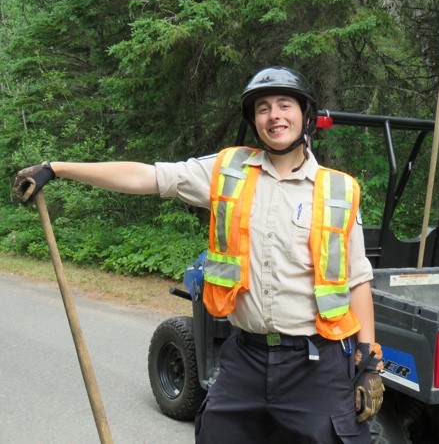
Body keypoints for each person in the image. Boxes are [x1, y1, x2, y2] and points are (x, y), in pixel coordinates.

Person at [14, 66, 384, 443]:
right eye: (263, 108)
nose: (274, 115)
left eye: (284, 105)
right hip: (246, 359)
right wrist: (58, 169)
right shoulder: (228, 171)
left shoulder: (338, 190)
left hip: (315, 364)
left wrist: (369, 362)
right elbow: (149, 177)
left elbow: (357, 279)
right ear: (254, 121)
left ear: (305, 115)